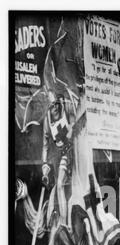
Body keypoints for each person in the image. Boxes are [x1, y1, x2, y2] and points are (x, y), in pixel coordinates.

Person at [41, 91, 75, 226]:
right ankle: (63, 223)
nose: (55, 108)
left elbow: (74, 121)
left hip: (72, 150)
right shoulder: (47, 120)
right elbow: (45, 144)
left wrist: (70, 130)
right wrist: (44, 164)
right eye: (51, 106)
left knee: (70, 187)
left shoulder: (66, 107)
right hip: (59, 155)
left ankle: (67, 221)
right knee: (59, 185)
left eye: (56, 104)